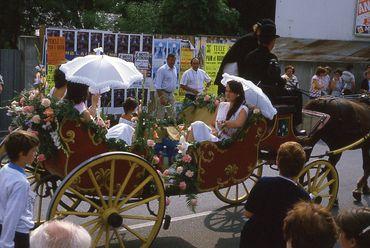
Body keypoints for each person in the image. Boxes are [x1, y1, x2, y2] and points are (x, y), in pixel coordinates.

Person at [239, 141, 310, 248]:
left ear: (277, 162)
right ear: (302, 166)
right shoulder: (303, 196)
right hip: (279, 241)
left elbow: (248, 213)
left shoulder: (263, 183)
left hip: (253, 239)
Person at [242, 22, 304, 134]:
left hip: (251, 92)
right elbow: (274, 78)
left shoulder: (249, 56)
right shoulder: (271, 57)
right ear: (272, 42)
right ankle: (293, 128)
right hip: (268, 94)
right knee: (297, 93)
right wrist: (283, 81)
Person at [0, 130, 40, 248]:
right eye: (33, 151)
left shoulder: (5, 168)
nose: (35, 154)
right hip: (18, 233)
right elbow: (12, 215)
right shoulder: (20, 183)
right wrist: (6, 243)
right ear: (22, 153)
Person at [215, 19, 275, 94]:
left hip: (237, 68)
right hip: (233, 68)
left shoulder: (255, 40)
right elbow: (243, 61)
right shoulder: (249, 40)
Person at [154, 53, 177, 120]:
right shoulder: (162, 70)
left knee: (173, 113)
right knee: (160, 113)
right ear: (167, 60)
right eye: (171, 60)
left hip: (171, 94)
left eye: (174, 60)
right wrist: (161, 97)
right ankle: (158, 128)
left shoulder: (174, 68)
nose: (172, 62)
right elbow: (158, 86)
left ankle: (174, 128)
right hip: (162, 93)